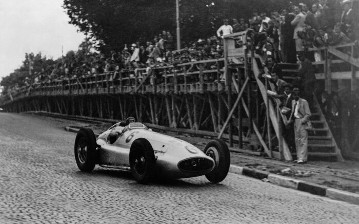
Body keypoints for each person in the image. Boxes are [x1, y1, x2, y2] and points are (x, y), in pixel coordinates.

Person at [290, 87, 311, 164]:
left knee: (303, 139)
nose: (296, 93)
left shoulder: (304, 102)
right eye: (294, 92)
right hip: (296, 121)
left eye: (297, 91)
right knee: (297, 139)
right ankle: (299, 157)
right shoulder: (293, 102)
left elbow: (308, 114)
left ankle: (303, 157)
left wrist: (302, 121)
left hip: (302, 121)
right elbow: (293, 112)